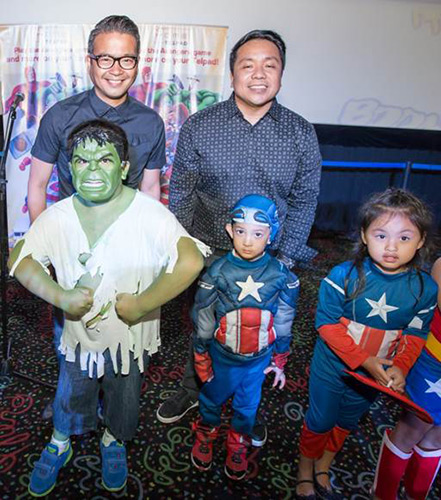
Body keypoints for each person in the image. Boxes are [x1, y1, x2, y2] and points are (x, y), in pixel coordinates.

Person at [8, 120, 208, 497]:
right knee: (71, 391)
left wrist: (141, 305)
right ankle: (60, 441)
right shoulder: (59, 215)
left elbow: (191, 260)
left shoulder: (149, 214)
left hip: (129, 340)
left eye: (104, 159)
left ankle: (113, 440)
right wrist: (60, 296)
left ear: (125, 167)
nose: (93, 169)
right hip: (78, 336)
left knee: (124, 394)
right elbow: (20, 260)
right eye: (82, 161)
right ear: (69, 167)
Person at [159, 29, 322, 433]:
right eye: (247, 65)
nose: (259, 74)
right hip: (211, 251)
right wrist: (186, 254)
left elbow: (304, 200)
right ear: (232, 74)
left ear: (282, 74)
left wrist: (283, 261)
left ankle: (248, 409)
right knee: (205, 325)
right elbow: (182, 192)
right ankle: (192, 387)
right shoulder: (200, 126)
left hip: (271, 259)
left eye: (270, 65)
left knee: (260, 334)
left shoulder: (301, 134)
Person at [295, 188, 438, 499]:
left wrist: (400, 366)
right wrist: (365, 360)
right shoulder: (343, 275)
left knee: (347, 419)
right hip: (333, 366)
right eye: (381, 235)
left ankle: (325, 464)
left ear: (422, 241)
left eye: (404, 237)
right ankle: (305, 468)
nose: (391, 246)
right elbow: (326, 325)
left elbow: (415, 334)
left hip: (374, 376)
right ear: (363, 235)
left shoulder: (425, 288)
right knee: (320, 418)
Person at [189, 194, 299, 480]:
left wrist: (281, 357)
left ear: (271, 235)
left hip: (258, 360)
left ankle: (238, 440)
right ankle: (207, 433)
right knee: (212, 397)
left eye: (258, 233)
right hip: (222, 356)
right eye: (240, 231)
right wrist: (201, 353)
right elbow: (203, 315)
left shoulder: (281, 275)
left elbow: (285, 318)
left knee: (248, 406)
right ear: (230, 231)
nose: (248, 241)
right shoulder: (217, 272)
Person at [28, 14, 165, 221]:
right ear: (89, 62)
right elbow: (38, 185)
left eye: (126, 60)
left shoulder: (152, 122)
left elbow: (150, 187)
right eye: (105, 59)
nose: (116, 70)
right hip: (70, 236)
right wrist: (39, 242)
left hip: (127, 235)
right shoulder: (59, 116)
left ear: (136, 63)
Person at [373, 256, 441, 500]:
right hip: (433, 363)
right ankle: (383, 493)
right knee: (413, 429)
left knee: (436, 438)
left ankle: (416, 493)